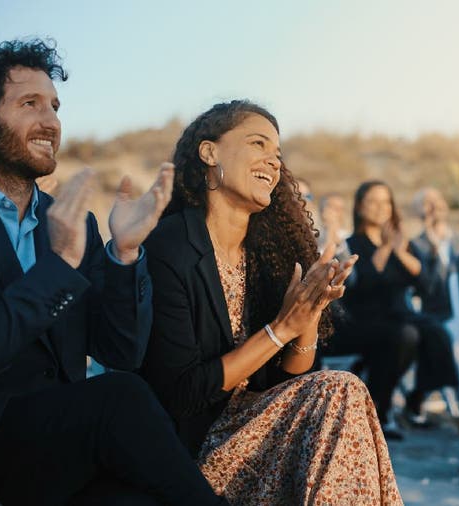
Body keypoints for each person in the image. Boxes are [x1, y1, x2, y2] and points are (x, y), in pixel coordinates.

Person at [0, 39, 224, 505]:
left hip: (57, 448)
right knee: (119, 397)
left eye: (55, 106)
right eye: (30, 104)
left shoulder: (71, 222)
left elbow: (119, 350)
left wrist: (124, 254)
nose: (51, 121)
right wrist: (59, 267)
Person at [139, 100, 402, 505]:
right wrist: (279, 329)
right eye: (258, 144)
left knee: (339, 390)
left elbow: (293, 378)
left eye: (277, 153)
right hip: (198, 447)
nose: (273, 161)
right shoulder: (169, 245)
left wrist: (308, 315)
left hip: (262, 425)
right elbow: (183, 393)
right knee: (341, 391)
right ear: (209, 153)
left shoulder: (269, 252)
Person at [332, 181, 459, 438]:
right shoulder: (351, 244)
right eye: (373, 202)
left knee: (436, 332)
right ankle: (380, 407)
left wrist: (399, 251)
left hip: (400, 315)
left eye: (386, 202)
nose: (381, 208)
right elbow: (364, 282)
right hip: (363, 318)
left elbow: (426, 283)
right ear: (359, 206)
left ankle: (415, 398)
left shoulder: (403, 241)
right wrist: (386, 247)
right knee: (405, 335)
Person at [409, 187, 459, 321]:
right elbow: (427, 287)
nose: (435, 205)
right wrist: (434, 248)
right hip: (437, 319)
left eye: (438, 200)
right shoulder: (414, 246)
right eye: (428, 202)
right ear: (419, 211)